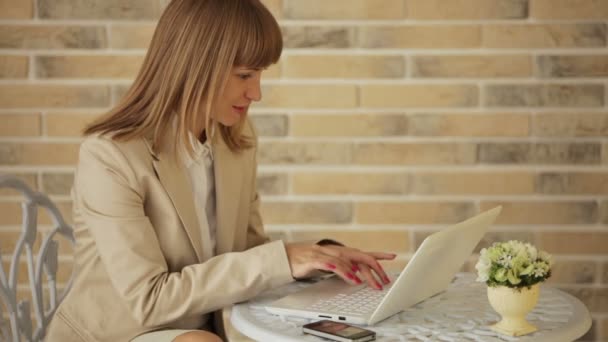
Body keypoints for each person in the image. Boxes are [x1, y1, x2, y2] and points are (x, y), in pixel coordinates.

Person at [45, 0, 395, 341]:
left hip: (203, 331)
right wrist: (284, 258)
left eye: (259, 74)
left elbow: (248, 254)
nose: (256, 92)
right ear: (197, 66)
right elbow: (148, 300)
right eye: (245, 74)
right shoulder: (110, 156)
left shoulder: (234, 144)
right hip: (119, 333)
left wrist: (321, 260)